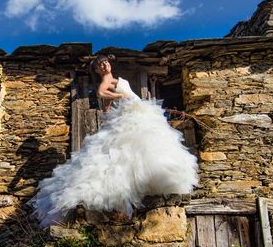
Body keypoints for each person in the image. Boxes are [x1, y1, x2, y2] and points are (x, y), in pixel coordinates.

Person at [30, 54, 198, 227]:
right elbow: (101, 92)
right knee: (127, 147)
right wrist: (121, 97)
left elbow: (107, 103)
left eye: (105, 62)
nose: (104, 66)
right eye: (100, 65)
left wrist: (114, 102)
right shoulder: (106, 81)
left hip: (137, 113)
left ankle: (150, 182)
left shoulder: (116, 80)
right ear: (96, 70)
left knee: (144, 146)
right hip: (132, 112)